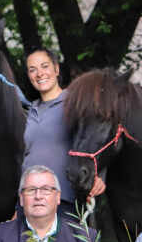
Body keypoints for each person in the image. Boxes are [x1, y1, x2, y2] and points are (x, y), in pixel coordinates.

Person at [22, 48, 104, 218]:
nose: (39, 74)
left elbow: (99, 138)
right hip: (29, 202)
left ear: (56, 69)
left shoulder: (75, 104)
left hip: (63, 201)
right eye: (32, 69)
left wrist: (100, 175)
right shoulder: (29, 110)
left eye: (44, 66)